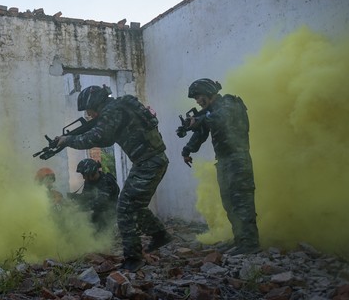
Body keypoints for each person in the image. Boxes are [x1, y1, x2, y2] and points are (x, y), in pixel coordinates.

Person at [55, 85, 172, 272]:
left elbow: (98, 136)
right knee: (135, 205)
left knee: (124, 207)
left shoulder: (112, 111)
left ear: (95, 103)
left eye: (89, 110)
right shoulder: (118, 108)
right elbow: (107, 140)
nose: (89, 114)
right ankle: (159, 235)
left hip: (148, 162)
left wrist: (68, 140)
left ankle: (134, 258)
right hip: (150, 161)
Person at [180, 79, 260, 255]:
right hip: (224, 161)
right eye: (195, 99)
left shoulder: (229, 104)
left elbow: (217, 118)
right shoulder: (209, 113)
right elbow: (202, 132)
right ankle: (240, 239)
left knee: (242, 202)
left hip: (238, 160)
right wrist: (187, 150)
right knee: (229, 202)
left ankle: (250, 244)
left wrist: (199, 119)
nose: (198, 101)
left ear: (209, 92)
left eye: (199, 97)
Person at [68, 158, 120, 232]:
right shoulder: (89, 181)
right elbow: (86, 196)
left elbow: (102, 202)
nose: (83, 177)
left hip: (108, 218)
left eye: (84, 174)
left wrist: (80, 208)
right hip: (95, 215)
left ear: (91, 172)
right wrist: (74, 200)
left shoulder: (107, 181)